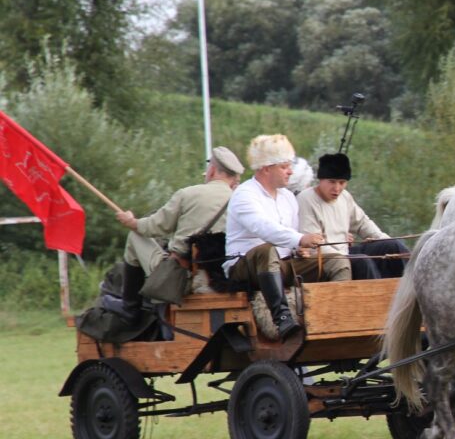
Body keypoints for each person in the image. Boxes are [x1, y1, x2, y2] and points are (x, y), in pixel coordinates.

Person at [223, 134, 334, 339]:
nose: (290, 171)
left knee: (335, 261)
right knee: (266, 250)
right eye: (284, 167)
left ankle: (337, 314)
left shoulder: (288, 198)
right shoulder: (244, 195)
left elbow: (287, 239)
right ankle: (282, 319)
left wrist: (298, 249)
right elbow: (265, 228)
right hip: (244, 268)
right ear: (266, 168)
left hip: (280, 265)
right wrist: (300, 239)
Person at [114, 146, 244, 316]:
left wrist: (131, 222)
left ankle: (131, 311)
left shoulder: (188, 194)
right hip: (224, 276)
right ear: (234, 178)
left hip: (184, 277)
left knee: (134, 237)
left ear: (211, 171)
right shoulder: (242, 200)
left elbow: (153, 227)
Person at [297, 152, 410, 279]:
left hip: (345, 252)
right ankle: (379, 297)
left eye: (342, 182)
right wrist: (343, 257)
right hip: (327, 259)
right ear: (321, 179)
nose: (337, 188)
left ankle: (410, 289)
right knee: (362, 261)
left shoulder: (345, 197)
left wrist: (383, 240)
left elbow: (362, 223)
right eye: (332, 182)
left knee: (393, 246)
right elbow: (313, 246)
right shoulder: (306, 199)